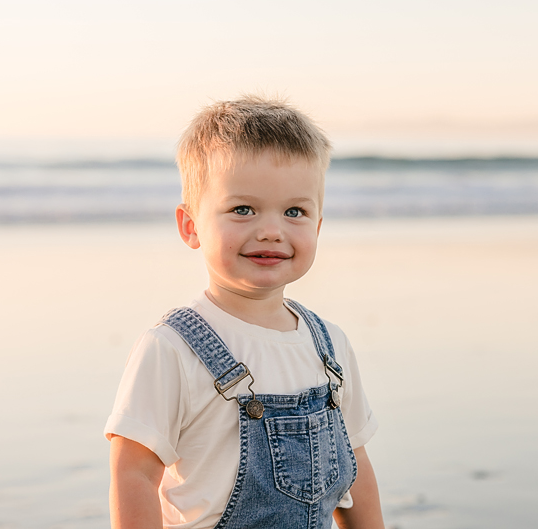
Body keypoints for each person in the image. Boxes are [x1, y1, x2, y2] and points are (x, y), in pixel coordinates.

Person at [105, 96, 384, 529]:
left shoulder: (330, 346)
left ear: (318, 226)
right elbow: (134, 473)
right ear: (191, 226)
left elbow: (356, 466)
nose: (271, 230)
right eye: (242, 209)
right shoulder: (172, 349)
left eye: (294, 211)